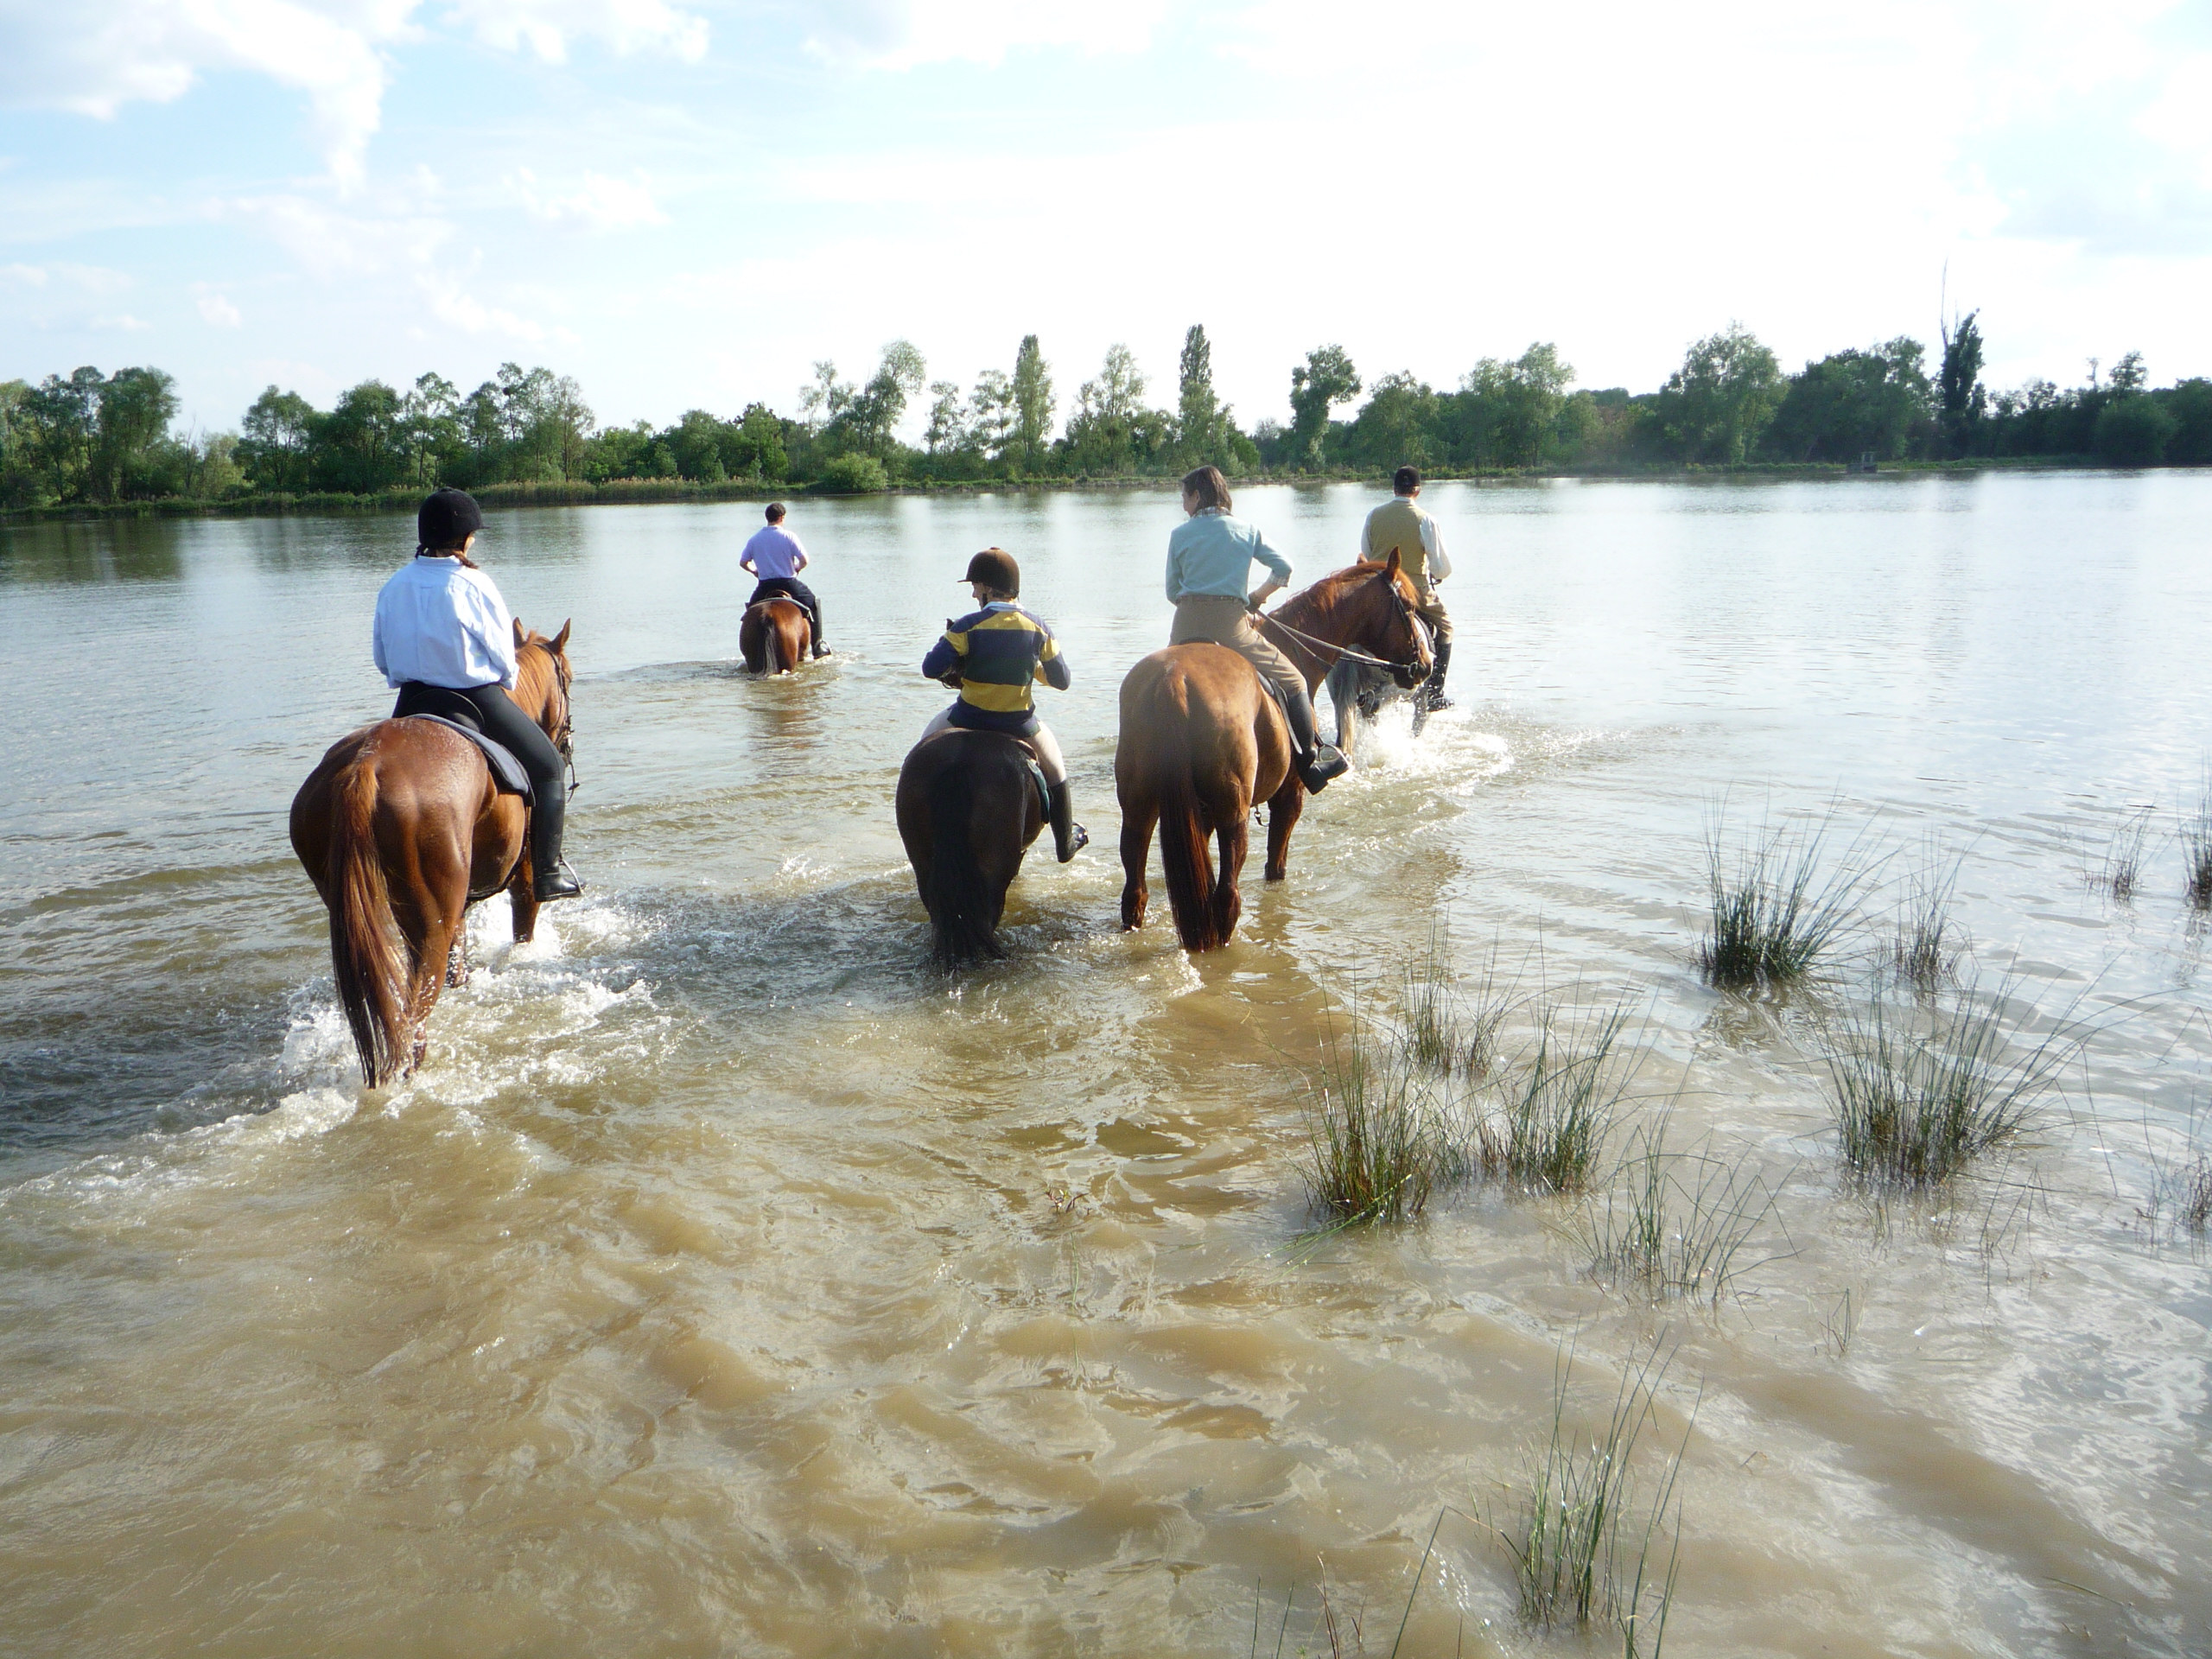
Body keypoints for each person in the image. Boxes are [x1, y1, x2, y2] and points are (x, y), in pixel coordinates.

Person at [372, 487, 583, 902]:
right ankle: (547, 874)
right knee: (548, 768)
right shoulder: (473, 583)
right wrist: (499, 678)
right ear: (466, 538)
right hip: (475, 700)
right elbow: (506, 660)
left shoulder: (393, 585)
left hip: (411, 702)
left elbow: (382, 659)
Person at [1165, 466, 1349, 791]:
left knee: (1163, 685)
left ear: (1197, 495)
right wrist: (1254, 599)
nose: (1183, 505)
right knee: (1294, 681)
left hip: (1184, 626)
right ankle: (1310, 765)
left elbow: (1171, 591)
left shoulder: (1179, 535)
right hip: (1231, 626)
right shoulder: (1247, 530)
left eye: (1184, 497)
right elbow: (1284, 568)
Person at [918, 548, 1088, 862]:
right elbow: (1062, 679)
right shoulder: (1039, 628)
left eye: (974, 587)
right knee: (1056, 769)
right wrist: (1031, 668)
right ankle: (1065, 842)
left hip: (966, 718)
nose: (972, 594)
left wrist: (961, 660)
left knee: (920, 753)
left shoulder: (966, 626)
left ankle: (917, 823)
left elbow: (930, 668)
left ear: (985, 588)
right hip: (1019, 725)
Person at [1360, 464, 1455, 709]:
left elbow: (1368, 557)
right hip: (1414, 591)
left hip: (1378, 590)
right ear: (1418, 491)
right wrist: (1435, 574)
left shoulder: (1373, 516)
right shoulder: (1426, 520)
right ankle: (1435, 693)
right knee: (1446, 628)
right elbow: (1442, 569)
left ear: (1393, 489)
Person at [740, 501, 830, 658]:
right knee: (813, 603)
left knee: (750, 612)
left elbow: (743, 562)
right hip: (788, 583)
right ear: (782, 517)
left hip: (764, 585)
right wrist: (797, 568)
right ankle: (817, 645)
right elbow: (804, 560)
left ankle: (750, 648)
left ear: (767, 518)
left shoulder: (754, 539)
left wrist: (755, 571)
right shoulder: (789, 536)